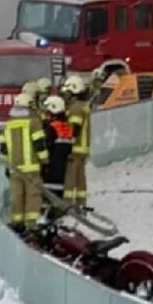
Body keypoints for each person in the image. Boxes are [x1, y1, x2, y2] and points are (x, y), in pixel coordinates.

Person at [0, 90, 48, 228]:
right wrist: (45, 161)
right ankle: (31, 225)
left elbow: (4, 148)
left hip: (14, 169)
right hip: (32, 168)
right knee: (33, 196)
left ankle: (17, 223)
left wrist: (6, 166)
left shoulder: (7, 125)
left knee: (17, 197)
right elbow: (40, 145)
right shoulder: (34, 122)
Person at [61, 75, 94, 209]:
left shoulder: (75, 108)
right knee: (81, 179)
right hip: (83, 149)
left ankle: (67, 206)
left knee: (70, 179)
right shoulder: (83, 106)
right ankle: (81, 204)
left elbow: (74, 129)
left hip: (75, 149)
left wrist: (66, 145)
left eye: (67, 92)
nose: (66, 95)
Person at [40, 93, 73, 203]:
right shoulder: (65, 127)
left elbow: (46, 147)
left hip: (50, 171)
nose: (46, 115)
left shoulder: (52, 128)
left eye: (47, 112)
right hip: (62, 171)